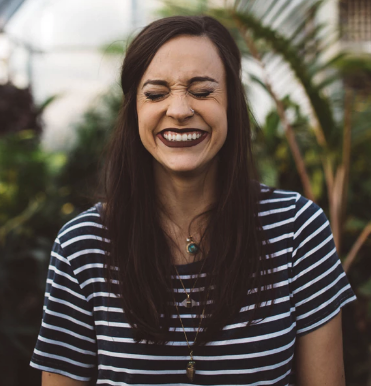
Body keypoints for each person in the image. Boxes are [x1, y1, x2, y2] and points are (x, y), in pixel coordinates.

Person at [30, 15, 356, 386]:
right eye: (155, 93)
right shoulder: (83, 246)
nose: (180, 110)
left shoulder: (296, 230)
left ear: (231, 102)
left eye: (202, 91)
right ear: (134, 109)